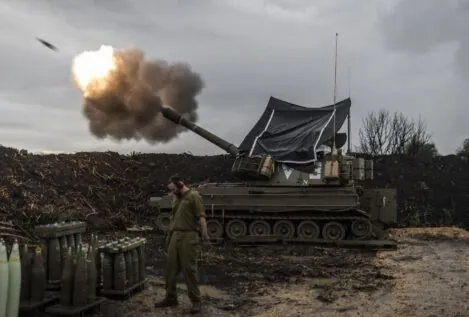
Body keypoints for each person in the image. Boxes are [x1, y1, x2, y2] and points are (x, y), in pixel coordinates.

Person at [154, 175, 209, 314]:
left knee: (189, 270)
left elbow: (201, 217)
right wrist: (169, 234)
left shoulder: (194, 196)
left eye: (173, 189)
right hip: (175, 236)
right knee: (170, 269)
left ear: (180, 184)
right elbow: (173, 217)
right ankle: (171, 297)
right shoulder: (176, 198)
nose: (172, 193)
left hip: (189, 236)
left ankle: (196, 301)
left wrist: (205, 236)